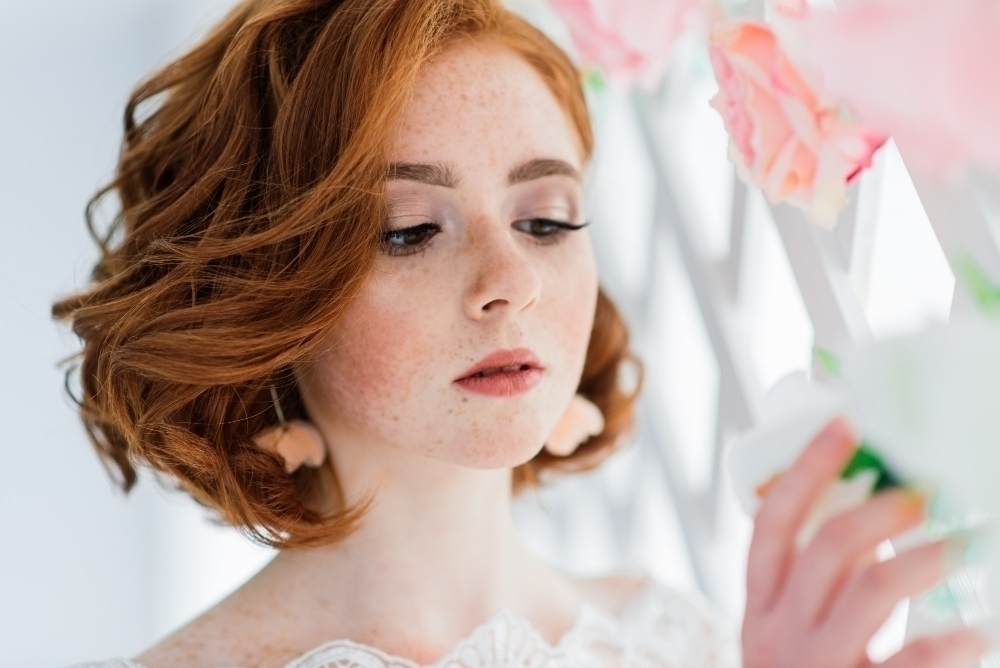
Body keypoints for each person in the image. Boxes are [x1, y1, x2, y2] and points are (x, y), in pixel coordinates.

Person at [54, 1, 987, 666]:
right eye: (410, 231)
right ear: (266, 299)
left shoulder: (687, 642)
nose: (512, 284)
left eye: (546, 220)